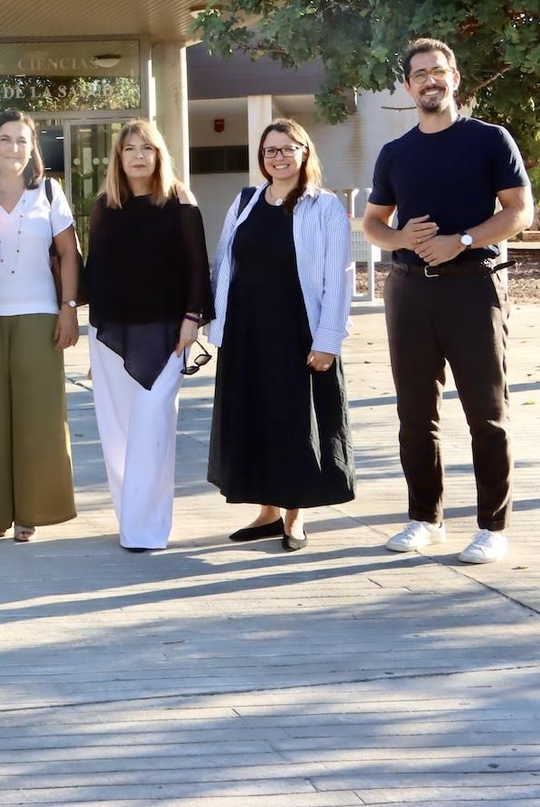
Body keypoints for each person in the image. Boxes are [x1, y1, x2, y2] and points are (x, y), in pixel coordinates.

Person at [363, 38, 533, 564]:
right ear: (408, 86)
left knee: (487, 413)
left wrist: (460, 240)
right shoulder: (395, 153)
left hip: (473, 287)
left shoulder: (489, 139)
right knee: (415, 414)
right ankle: (425, 519)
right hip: (409, 290)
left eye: (438, 71)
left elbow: (519, 211)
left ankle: (492, 527)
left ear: (454, 78)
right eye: (419, 74)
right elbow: (373, 223)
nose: (429, 81)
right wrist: (401, 238)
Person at [208, 120, 354, 552]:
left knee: (295, 424)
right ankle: (268, 512)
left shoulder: (325, 207)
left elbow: (339, 277)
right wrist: (212, 320)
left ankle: (295, 514)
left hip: (298, 333)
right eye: (270, 150)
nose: (279, 157)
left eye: (288, 148)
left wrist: (328, 340)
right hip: (246, 334)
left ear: (305, 153)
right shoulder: (245, 201)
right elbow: (223, 262)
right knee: (256, 421)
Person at [82, 118, 211, 552]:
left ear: (159, 155)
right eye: (130, 149)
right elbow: (95, 272)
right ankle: (130, 520)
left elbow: (197, 265)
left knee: (152, 426)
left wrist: (192, 318)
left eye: (147, 148)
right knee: (117, 432)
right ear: (118, 158)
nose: (138, 156)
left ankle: (148, 529)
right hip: (111, 335)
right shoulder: (104, 206)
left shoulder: (179, 200)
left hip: (167, 334)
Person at [0, 109, 80, 543]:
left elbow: (68, 254)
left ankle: (32, 511)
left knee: (40, 420)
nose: (14, 147)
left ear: (33, 148)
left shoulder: (49, 192)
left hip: (39, 315)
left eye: (22, 140)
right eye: (5, 138)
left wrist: (68, 308)